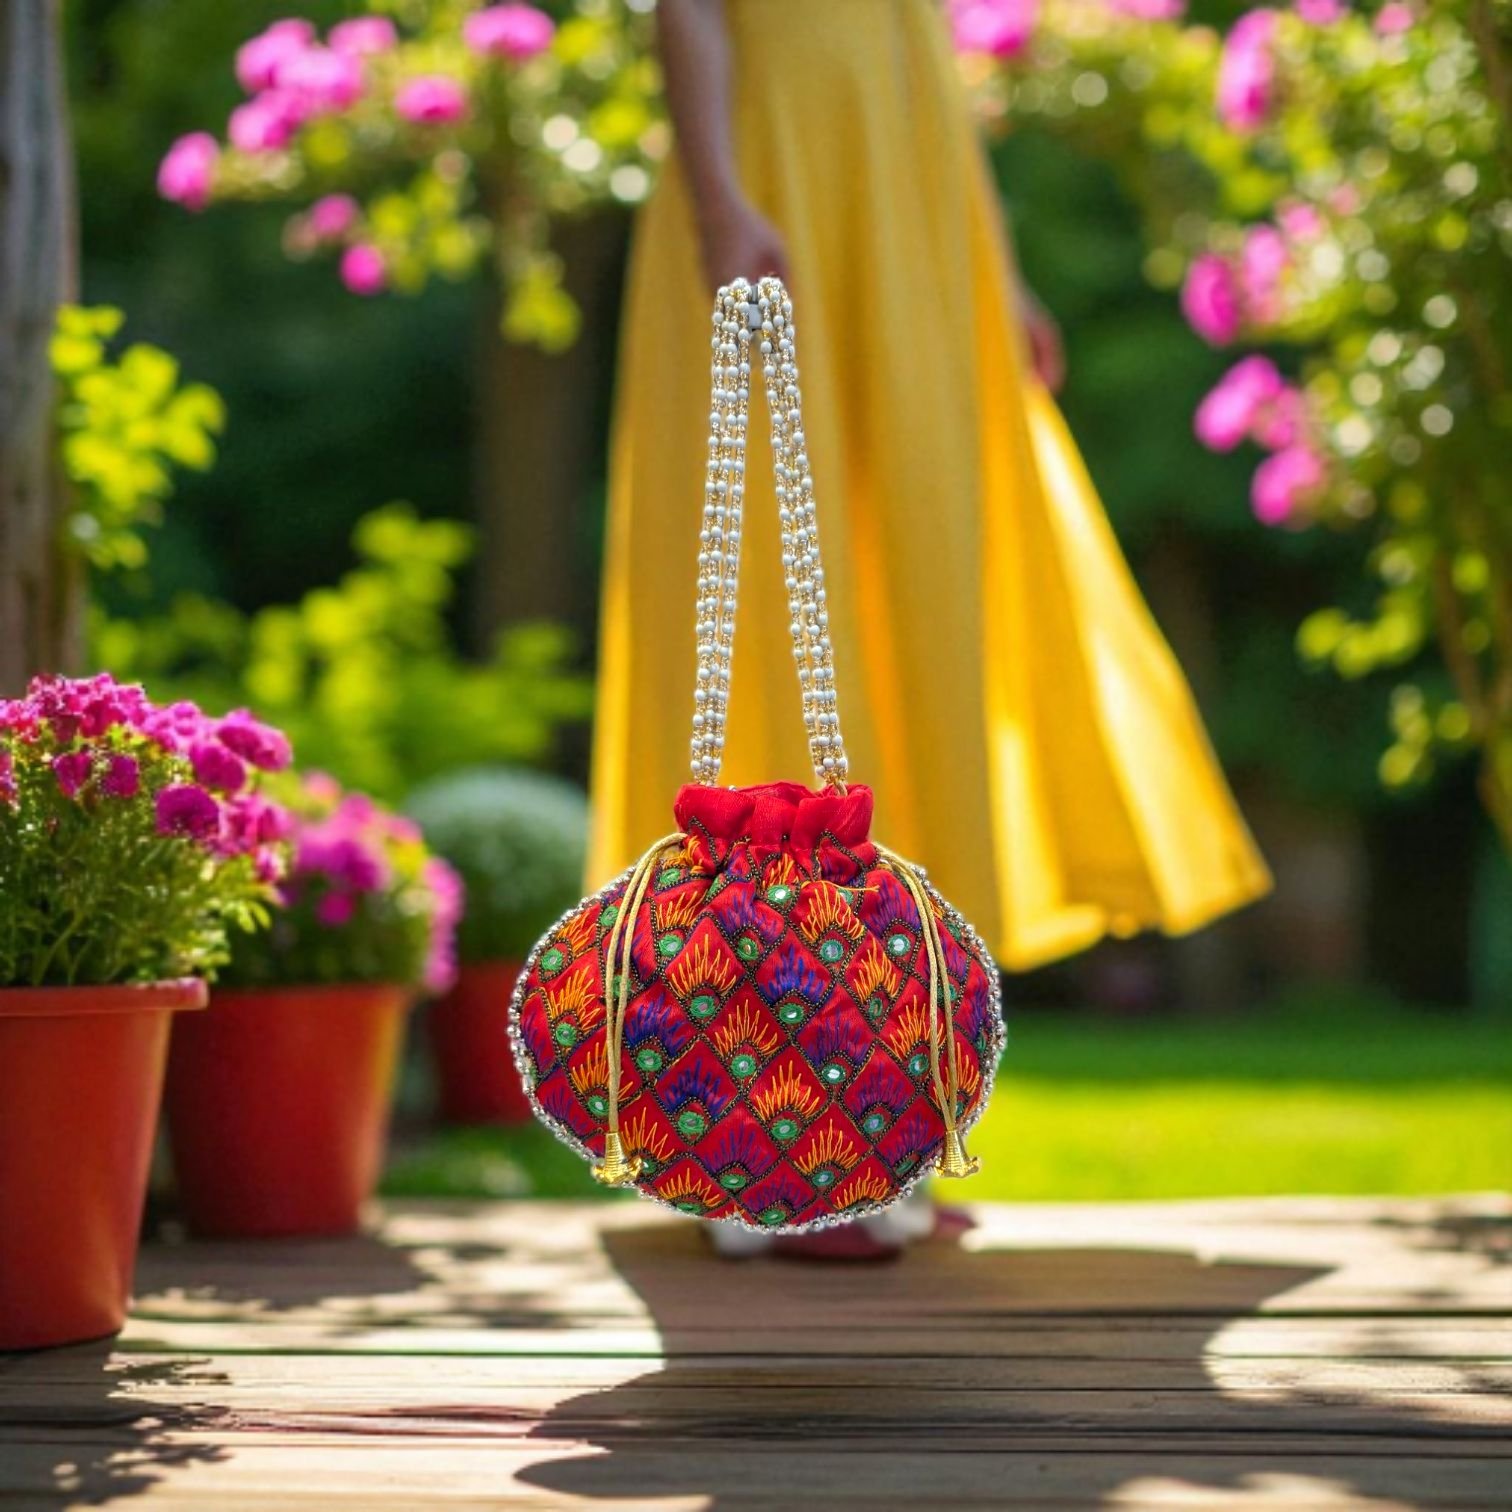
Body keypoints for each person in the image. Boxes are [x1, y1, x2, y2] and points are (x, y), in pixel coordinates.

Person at [589, 0, 1271, 1256]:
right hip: (774, 204)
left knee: (916, 616)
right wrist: (720, 203)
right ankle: (765, 1126)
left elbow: (923, 62)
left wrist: (992, 271)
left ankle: (884, 1108)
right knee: (773, 618)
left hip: (912, 231)